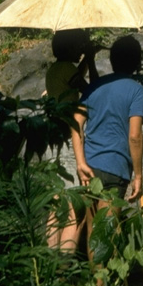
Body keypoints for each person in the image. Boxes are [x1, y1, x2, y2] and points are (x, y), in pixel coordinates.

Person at [71, 35, 143, 263]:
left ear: (112, 60)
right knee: (108, 231)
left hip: (91, 166)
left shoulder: (95, 86)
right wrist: (139, 175)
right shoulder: (136, 91)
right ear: (136, 63)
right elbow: (135, 136)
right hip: (116, 168)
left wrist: (80, 162)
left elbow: (76, 123)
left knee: (95, 229)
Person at [45, 28, 98, 251]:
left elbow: (73, 78)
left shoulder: (55, 70)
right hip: (68, 137)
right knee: (71, 204)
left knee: (56, 202)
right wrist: (92, 62)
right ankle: (66, 265)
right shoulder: (67, 69)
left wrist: (85, 59)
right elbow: (92, 89)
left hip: (51, 136)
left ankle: (51, 258)